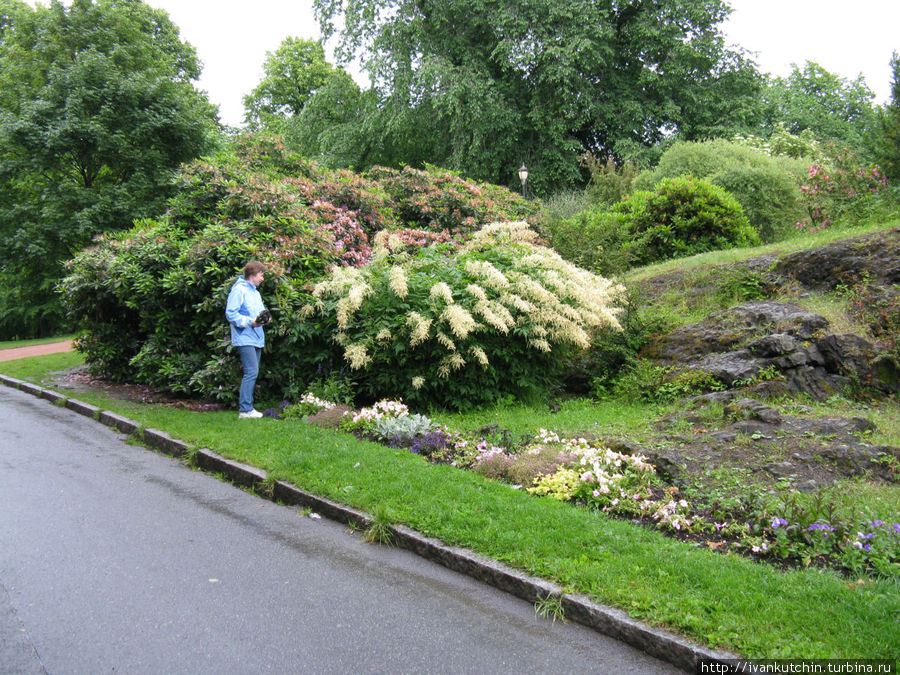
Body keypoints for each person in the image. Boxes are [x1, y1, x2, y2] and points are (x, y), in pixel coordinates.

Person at [225, 261, 268, 418]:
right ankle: (245, 409)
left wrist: (265, 319)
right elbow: (231, 314)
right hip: (244, 337)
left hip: (257, 337)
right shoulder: (239, 290)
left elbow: (260, 313)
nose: (262, 278)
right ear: (253, 274)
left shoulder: (255, 293)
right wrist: (250, 322)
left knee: (253, 372)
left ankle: (247, 408)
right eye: (261, 275)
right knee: (251, 372)